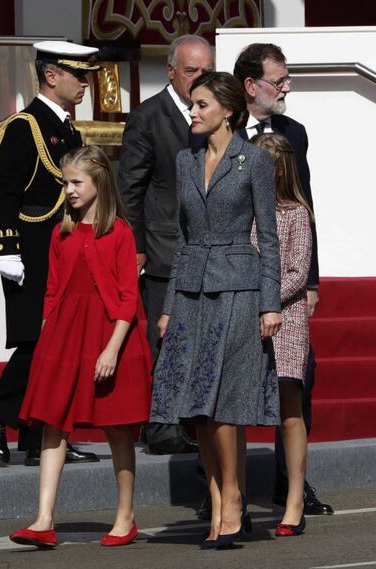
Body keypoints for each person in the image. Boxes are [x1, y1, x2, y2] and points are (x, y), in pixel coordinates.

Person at [150, 71, 282, 549]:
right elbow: (182, 240)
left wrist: (271, 304)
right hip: (190, 295)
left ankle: (232, 497)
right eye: (192, 104)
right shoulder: (186, 161)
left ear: (228, 109)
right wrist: (168, 306)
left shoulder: (254, 162)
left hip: (239, 290)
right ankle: (215, 493)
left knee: (223, 404)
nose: (194, 111)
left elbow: (267, 238)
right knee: (195, 407)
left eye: (202, 104)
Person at [9, 145, 152, 549]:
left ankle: (125, 517)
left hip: (110, 337)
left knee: (118, 429)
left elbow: (127, 298)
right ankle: (43, 520)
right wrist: (45, 336)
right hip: (65, 337)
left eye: (76, 182)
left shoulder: (120, 232)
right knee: (52, 425)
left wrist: (111, 349)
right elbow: (52, 291)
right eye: (65, 182)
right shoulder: (61, 231)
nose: (69, 190)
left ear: (99, 182)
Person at [0, 41, 100, 466]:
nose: (85, 83)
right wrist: (7, 250)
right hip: (32, 250)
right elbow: (4, 194)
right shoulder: (25, 126)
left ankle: (40, 436)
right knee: (39, 342)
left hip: (63, 251)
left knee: (56, 342)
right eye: (78, 75)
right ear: (50, 75)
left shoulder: (66, 128)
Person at [233, 42, 334, 515]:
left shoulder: (295, 132)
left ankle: (288, 484)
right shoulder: (221, 130)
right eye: (280, 80)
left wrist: (309, 281)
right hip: (235, 282)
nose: (287, 87)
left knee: (299, 382)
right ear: (252, 86)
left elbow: (304, 205)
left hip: (288, 292)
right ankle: (223, 485)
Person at [118, 34, 214, 455]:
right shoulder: (149, 116)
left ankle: (183, 417)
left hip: (206, 247)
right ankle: (160, 425)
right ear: (171, 71)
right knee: (166, 335)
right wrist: (136, 245)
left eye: (206, 71)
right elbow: (129, 188)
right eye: (192, 71)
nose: (199, 79)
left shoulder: (215, 115)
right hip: (163, 249)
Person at [251, 133, 313, 536]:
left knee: (289, 406)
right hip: (245, 314)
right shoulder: (245, 211)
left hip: (285, 318)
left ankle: (294, 500)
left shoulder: (295, 213)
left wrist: (265, 299)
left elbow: (298, 272)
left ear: (275, 169)